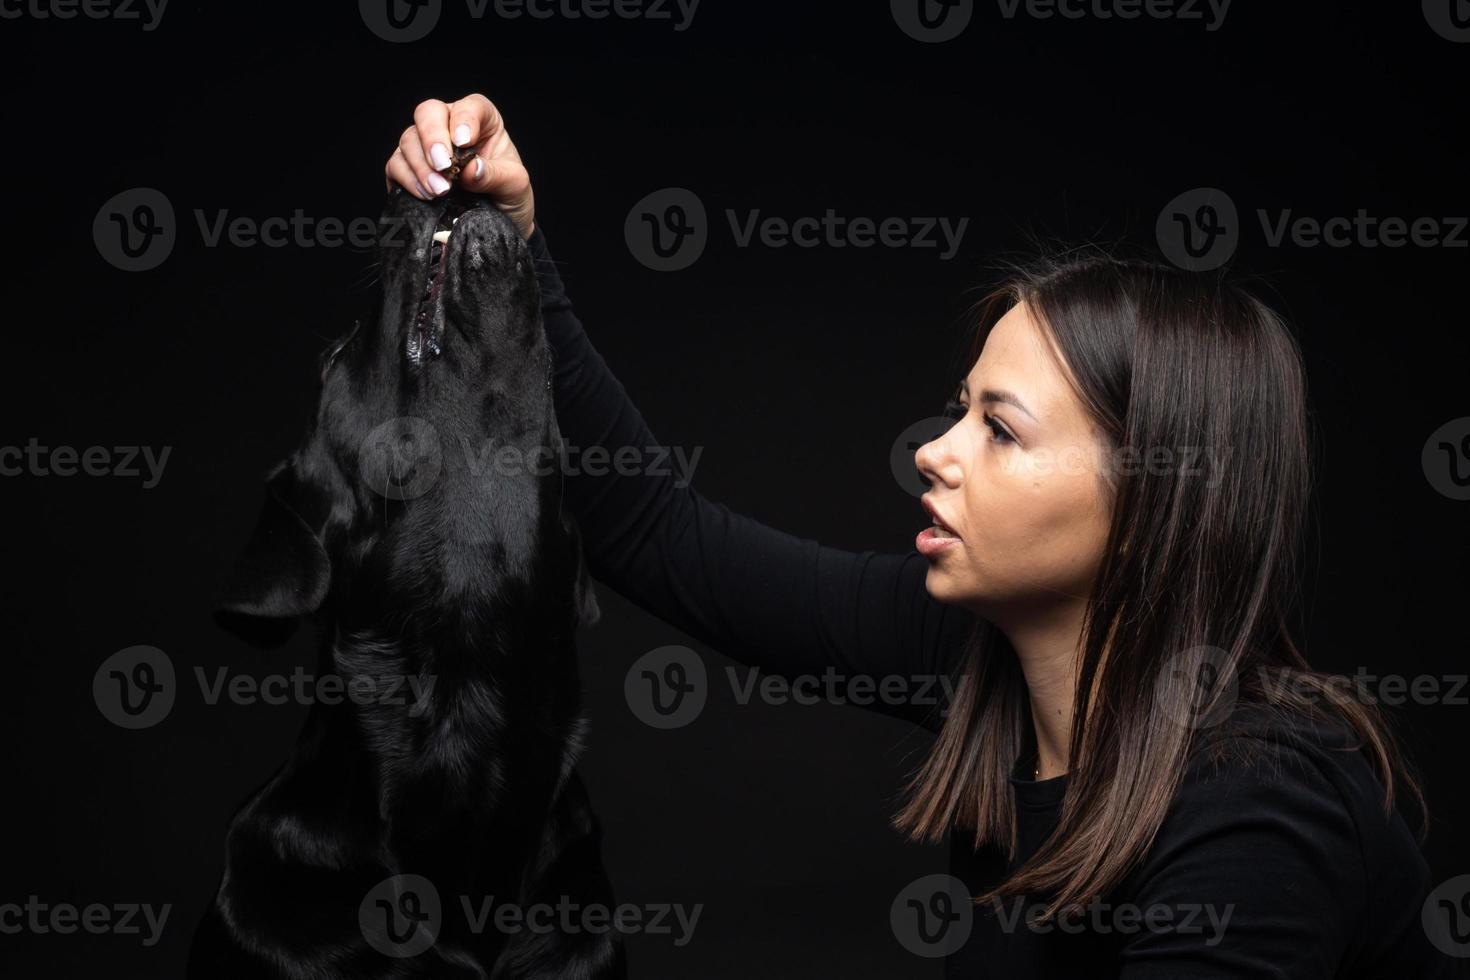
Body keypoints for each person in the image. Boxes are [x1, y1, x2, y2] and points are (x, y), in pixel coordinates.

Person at [382, 93, 1466, 978]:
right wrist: (513, 256)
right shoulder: (977, 656)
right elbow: (658, 532)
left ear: (1155, 508)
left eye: (1000, 428)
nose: (936, 452)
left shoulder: (1258, 811)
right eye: (961, 409)